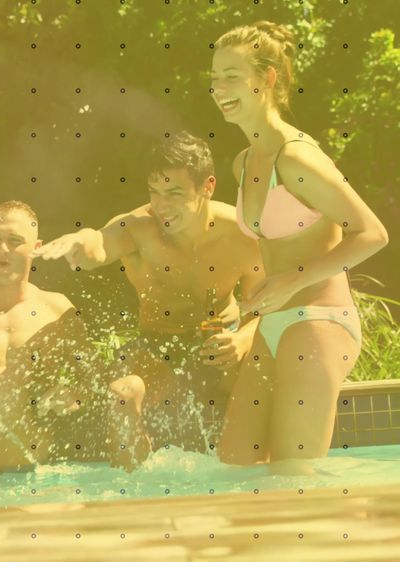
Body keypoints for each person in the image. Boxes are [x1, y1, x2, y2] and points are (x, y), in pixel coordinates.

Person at [209, 21, 388, 472]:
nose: (219, 88)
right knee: (234, 468)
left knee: (293, 480)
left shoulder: (297, 158)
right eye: (214, 78)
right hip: (272, 327)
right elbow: (271, 243)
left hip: (320, 321)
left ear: (267, 79)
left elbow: (371, 232)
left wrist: (291, 281)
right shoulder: (244, 162)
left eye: (232, 76)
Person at [37, 132, 264, 451]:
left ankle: (261, 485)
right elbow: (100, 244)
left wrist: (242, 338)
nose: (161, 206)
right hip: (157, 345)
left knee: (265, 371)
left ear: (207, 186)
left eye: (174, 193)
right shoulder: (139, 228)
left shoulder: (242, 236)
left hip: (221, 342)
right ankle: (132, 491)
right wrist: (82, 240)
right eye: (154, 192)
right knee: (122, 395)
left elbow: (263, 308)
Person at [0, 201, 150, 475]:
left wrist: (73, 395)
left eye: (15, 240)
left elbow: (93, 382)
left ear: (36, 247)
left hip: (35, 475)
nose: (3, 249)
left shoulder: (57, 311)